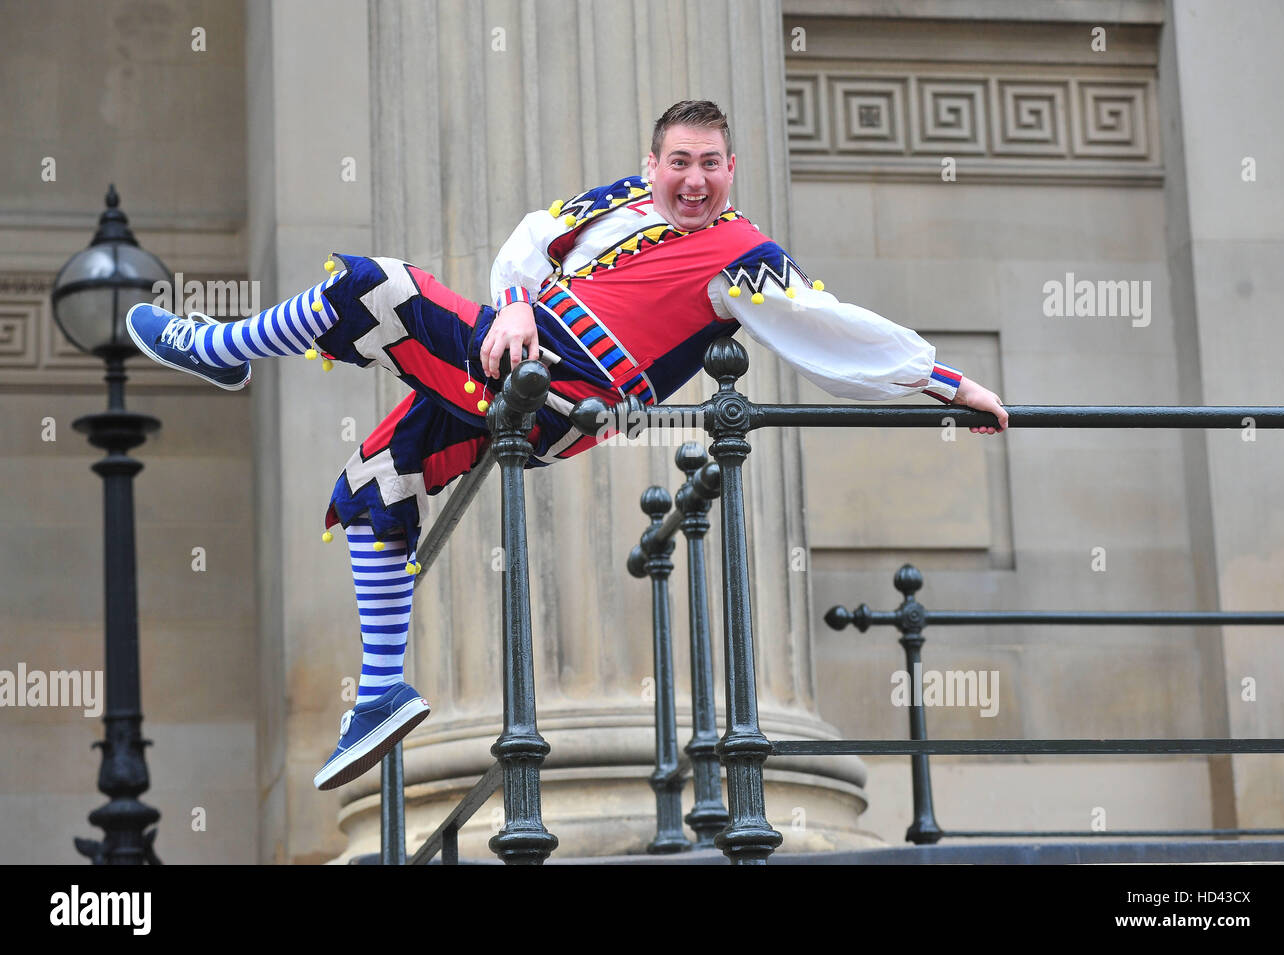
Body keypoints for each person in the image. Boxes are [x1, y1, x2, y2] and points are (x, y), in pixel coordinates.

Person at [125, 100, 1009, 792]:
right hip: (507, 358)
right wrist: (512, 301)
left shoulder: (744, 255)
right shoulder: (615, 201)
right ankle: (383, 689)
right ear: (652, 165)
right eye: (679, 164)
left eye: (710, 166)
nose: (694, 181)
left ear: (731, 171)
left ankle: (224, 352)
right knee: (370, 480)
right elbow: (529, 236)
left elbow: (831, 327)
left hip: (562, 395)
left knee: (374, 288)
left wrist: (948, 384)